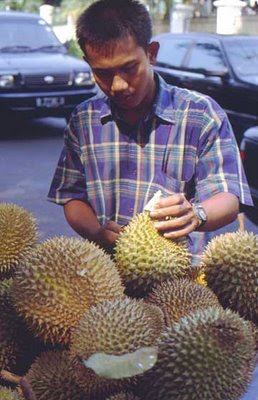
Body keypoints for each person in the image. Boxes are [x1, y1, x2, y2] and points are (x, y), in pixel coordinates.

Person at [47, 0, 253, 264]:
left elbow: (228, 195)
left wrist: (196, 214)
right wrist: (96, 232)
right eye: (103, 73)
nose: (118, 85)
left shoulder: (201, 114)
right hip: (106, 273)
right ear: (88, 63)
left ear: (152, 53)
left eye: (129, 68)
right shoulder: (84, 120)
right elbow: (71, 196)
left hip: (180, 278)